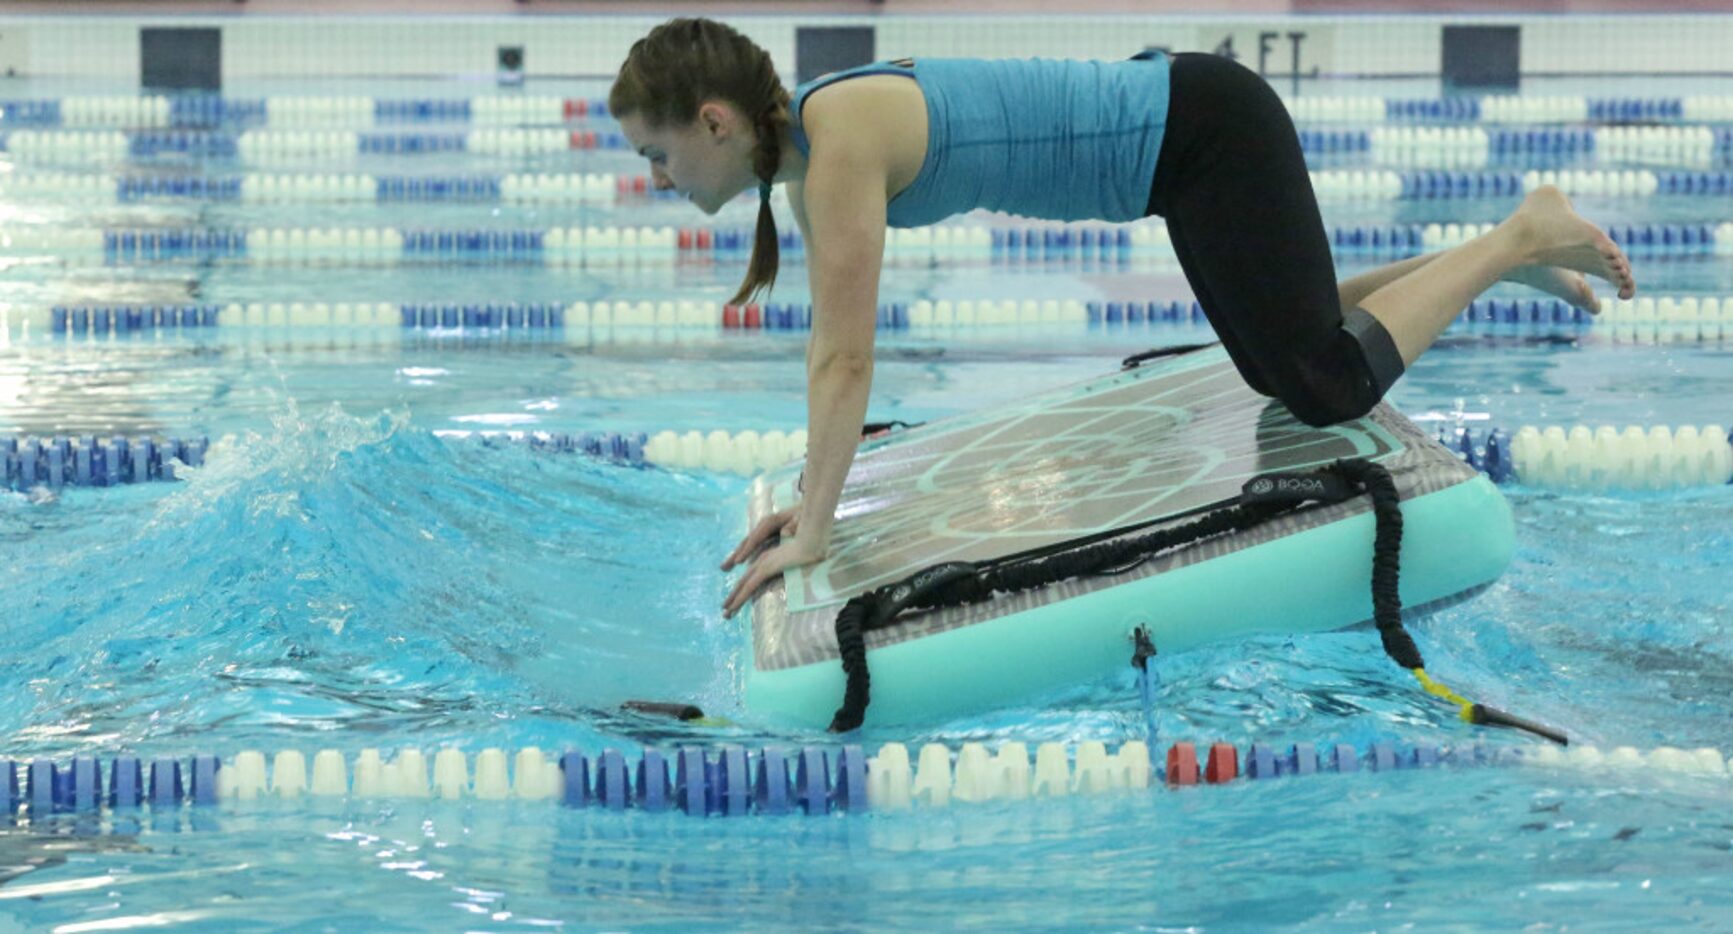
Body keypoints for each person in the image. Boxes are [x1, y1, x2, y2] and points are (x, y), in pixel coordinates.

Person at [607, 17, 1637, 620]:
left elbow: (843, 361)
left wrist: (820, 518)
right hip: (1186, 139)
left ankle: (1513, 236)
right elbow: (837, 359)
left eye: (657, 155)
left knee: (1321, 384)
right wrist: (813, 499)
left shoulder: (833, 151)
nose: (657, 179)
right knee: (1280, 353)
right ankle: (1506, 257)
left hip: (1201, 135)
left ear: (714, 121)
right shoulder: (818, 141)